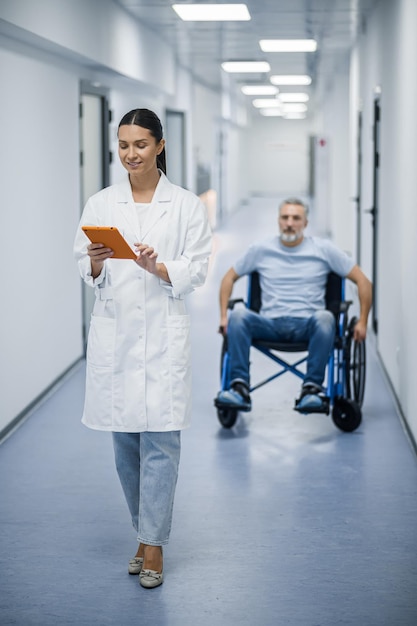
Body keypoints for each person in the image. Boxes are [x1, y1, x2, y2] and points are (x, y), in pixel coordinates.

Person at [73, 108, 212, 589]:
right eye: (124, 145)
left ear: (160, 145)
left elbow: (197, 269)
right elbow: (84, 267)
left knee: (162, 445)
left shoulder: (187, 206)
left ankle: (153, 545)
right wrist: (94, 263)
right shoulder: (101, 203)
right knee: (124, 448)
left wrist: (159, 269)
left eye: (140, 144)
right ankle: (144, 532)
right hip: (117, 339)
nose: (131, 154)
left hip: (163, 333)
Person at [216, 198, 372, 413]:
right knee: (238, 316)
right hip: (269, 324)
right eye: (285, 218)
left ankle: (311, 389)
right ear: (278, 221)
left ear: (305, 223)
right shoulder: (260, 250)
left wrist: (363, 321)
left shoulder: (324, 250)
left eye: (296, 218)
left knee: (326, 317)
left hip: (309, 325)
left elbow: (363, 282)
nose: (290, 223)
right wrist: (224, 316)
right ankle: (239, 387)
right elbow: (228, 278)